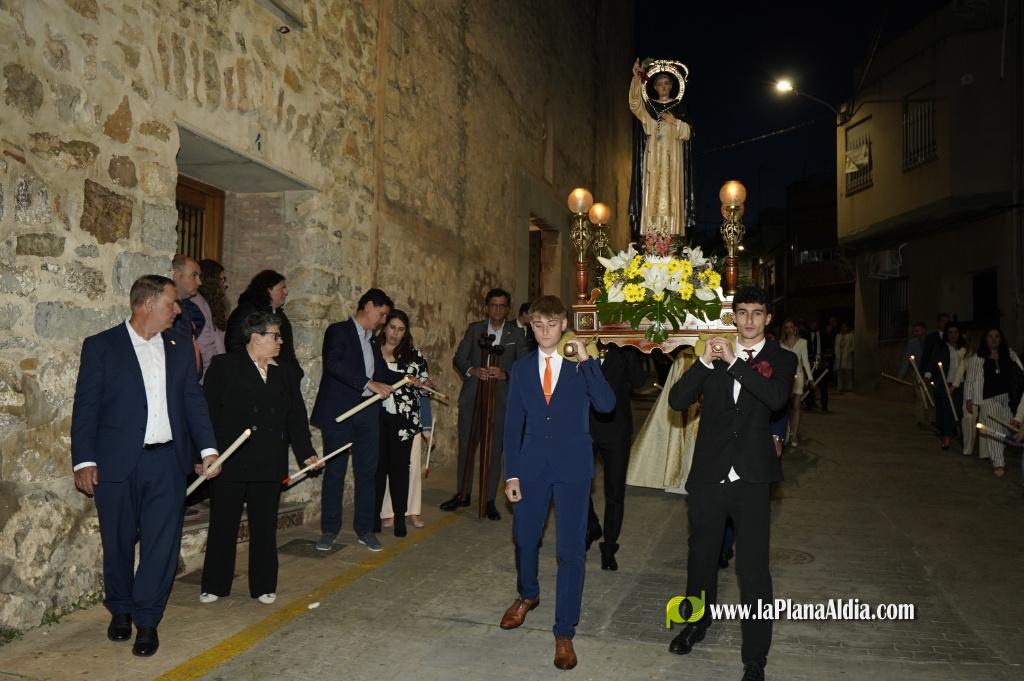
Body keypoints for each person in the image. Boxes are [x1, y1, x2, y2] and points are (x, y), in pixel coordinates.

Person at [71, 275, 219, 657]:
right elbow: (86, 407)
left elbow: (193, 401)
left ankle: (148, 618)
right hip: (116, 463)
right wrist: (84, 460)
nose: (178, 309)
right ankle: (120, 608)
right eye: (172, 302)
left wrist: (207, 449)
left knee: (161, 544)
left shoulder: (180, 347)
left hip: (167, 462)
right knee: (117, 540)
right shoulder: (102, 346)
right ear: (147, 304)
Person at [665, 286, 796, 681]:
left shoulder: (782, 358)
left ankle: (755, 656)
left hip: (752, 478)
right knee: (701, 558)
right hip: (709, 475)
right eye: (743, 313)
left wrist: (736, 362)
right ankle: (695, 624)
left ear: (768, 318)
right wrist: (704, 363)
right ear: (733, 316)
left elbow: (774, 399)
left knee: (753, 570)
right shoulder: (712, 353)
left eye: (757, 313)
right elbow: (676, 401)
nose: (750, 320)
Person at [498, 295, 615, 671]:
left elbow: (607, 404)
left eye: (551, 324)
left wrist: (585, 358)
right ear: (530, 327)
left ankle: (564, 630)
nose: (545, 331)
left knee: (570, 550)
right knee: (525, 536)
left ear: (564, 323)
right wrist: (511, 473)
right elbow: (513, 424)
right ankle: (528, 594)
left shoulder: (581, 366)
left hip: (573, 468)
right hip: (531, 467)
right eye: (537, 325)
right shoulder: (521, 368)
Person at [199, 312, 321, 605]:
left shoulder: (286, 372)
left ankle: (264, 584)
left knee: (264, 526)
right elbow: (206, 413)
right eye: (275, 336)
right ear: (256, 338)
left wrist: (307, 454)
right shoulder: (225, 366)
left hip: (268, 460)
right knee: (223, 524)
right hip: (230, 460)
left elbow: (295, 418)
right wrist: (204, 452)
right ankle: (215, 584)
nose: (280, 342)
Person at [311, 288, 409, 552]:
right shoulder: (338, 331)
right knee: (335, 472)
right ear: (368, 306)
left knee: (367, 472)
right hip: (340, 413)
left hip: (367, 413)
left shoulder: (373, 341)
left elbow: (380, 372)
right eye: (382, 313)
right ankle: (329, 530)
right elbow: (334, 365)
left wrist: (409, 381)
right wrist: (368, 383)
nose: (383, 320)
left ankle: (365, 529)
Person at [440, 288, 529, 519]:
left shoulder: (517, 335)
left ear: (507, 309)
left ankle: (488, 499)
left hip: (501, 400)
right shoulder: (475, 329)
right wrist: (473, 370)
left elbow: (525, 367)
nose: (497, 310)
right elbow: (459, 357)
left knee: (494, 449)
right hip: (473, 397)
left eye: (502, 306)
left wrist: (505, 374)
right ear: (486, 307)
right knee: (467, 446)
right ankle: (462, 494)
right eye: (493, 305)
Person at [586, 344, 646, 570]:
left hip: (616, 428)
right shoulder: (581, 342)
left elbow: (639, 381)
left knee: (615, 491)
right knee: (579, 484)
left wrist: (628, 350)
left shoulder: (625, 349)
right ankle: (591, 525)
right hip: (586, 427)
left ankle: (610, 545)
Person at [374, 310, 431, 538]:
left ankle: (400, 518)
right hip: (376, 418)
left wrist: (426, 426)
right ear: (384, 327)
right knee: (378, 469)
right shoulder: (372, 352)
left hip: (405, 421)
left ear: (405, 332)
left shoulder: (414, 356)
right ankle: (374, 517)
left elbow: (425, 392)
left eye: (400, 329)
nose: (395, 334)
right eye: (391, 327)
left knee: (400, 470)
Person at [629, 58, 692, 237]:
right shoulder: (650, 109)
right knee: (654, 190)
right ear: (654, 87)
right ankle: (652, 233)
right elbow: (635, 105)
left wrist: (675, 121)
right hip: (654, 156)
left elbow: (688, 133)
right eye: (659, 84)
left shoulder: (680, 108)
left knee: (672, 190)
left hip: (674, 155)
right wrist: (636, 79)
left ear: (671, 85)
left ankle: (671, 232)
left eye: (666, 83)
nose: (663, 87)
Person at [965, 327, 1024, 476]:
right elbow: (970, 380)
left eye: (997, 336)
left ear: (1001, 339)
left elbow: (1021, 373)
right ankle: (998, 464)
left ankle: (999, 455)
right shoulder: (977, 358)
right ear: (985, 339)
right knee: (994, 429)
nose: (993, 339)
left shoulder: (1010, 354)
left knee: (1005, 429)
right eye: (990, 336)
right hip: (988, 399)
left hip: (1009, 399)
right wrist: (968, 399)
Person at [225, 270, 302, 377]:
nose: (286, 292)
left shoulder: (279, 314)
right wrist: (257, 369)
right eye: (282, 288)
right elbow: (234, 344)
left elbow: (287, 349)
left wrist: (295, 372)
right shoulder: (246, 312)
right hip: (254, 375)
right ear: (268, 289)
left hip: (278, 375)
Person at [381, 393, 432, 529]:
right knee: (389, 467)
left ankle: (412, 511)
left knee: (413, 469)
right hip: (389, 418)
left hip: (412, 419)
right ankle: (389, 511)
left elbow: (423, 394)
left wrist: (426, 429)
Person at [924, 321, 967, 450]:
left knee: (960, 412)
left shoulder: (964, 348)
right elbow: (933, 362)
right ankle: (947, 439)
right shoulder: (941, 347)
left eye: (955, 332)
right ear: (947, 334)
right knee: (946, 412)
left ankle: (963, 437)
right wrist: (927, 376)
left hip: (961, 385)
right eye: (950, 333)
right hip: (945, 383)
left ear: (959, 334)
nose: (953, 335)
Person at [779, 320, 813, 446]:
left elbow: (805, 361)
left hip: (798, 377)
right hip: (785, 378)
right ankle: (785, 432)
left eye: (791, 327)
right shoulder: (781, 344)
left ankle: (794, 435)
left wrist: (810, 378)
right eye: (786, 327)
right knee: (785, 407)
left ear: (795, 328)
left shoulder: (803, 342)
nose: (789, 329)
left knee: (797, 406)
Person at [170, 255, 205, 375]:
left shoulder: (192, 309)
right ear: (177, 275)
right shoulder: (169, 311)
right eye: (194, 275)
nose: (199, 282)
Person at [195, 259, 228, 380]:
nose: (225, 284)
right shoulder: (199, 303)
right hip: (207, 375)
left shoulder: (213, 305)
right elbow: (205, 346)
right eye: (222, 279)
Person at [900, 321, 929, 427]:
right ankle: (920, 420)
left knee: (930, 396)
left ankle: (931, 418)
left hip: (930, 373)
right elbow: (906, 358)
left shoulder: (930, 342)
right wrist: (902, 373)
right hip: (917, 372)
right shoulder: (912, 343)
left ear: (924, 330)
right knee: (920, 396)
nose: (915, 333)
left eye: (917, 330)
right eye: (914, 331)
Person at [804, 319, 832, 413]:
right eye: (812, 324)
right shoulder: (806, 336)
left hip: (821, 363)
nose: (814, 325)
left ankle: (824, 406)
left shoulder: (823, 335)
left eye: (816, 324)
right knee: (809, 384)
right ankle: (809, 404)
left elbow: (829, 347)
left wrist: (827, 355)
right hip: (810, 363)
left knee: (823, 385)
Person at [834, 322, 855, 392]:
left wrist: (848, 351)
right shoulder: (838, 336)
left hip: (847, 356)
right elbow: (836, 345)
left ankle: (848, 387)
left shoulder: (851, 335)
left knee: (848, 373)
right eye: (842, 326)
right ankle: (840, 387)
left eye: (845, 326)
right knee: (840, 373)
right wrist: (837, 354)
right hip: (839, 356)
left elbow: (853, 345)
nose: (843, 328)